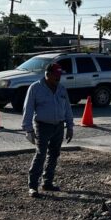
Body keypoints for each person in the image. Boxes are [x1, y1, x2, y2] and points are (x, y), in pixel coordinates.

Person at [21, 63, 74, 198]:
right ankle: (33, 186)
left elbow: (67, 108)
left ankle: (47, 182)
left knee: (54, 154)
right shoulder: (35, 88)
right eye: (56, 75)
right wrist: (28, 129)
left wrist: (70, 126)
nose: (58, 78)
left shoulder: (61, 89)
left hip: (59, 126)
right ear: (47, 74)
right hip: (42, 126)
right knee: (41, 155)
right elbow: (28, 109)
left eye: (59, 76)